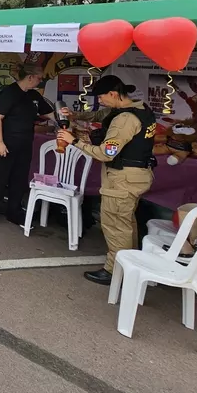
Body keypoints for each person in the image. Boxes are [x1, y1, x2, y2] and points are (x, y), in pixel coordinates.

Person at [57, 75, 157, 285]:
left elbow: (106, 153)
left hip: (122, 180)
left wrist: (73, 141)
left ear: (113, 94)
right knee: (125, 223)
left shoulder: (125, 120)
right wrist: (73, 115)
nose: (100, 101)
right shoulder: (138, 109)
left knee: (115, 225)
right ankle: (129, 265)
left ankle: (115, 272)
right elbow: (98, 114)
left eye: (101, 97)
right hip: (135, 176)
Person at [0, 65, 53, 228]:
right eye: (39, 78)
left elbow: (49, 113)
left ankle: (14, 213)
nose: (41, 81)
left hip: (25, 143)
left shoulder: (33, 95)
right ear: (30, 77)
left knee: (19, 179)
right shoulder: (9, 93)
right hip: (6, 142)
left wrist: (63, 117)